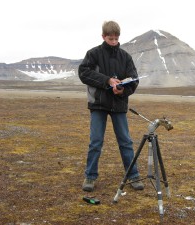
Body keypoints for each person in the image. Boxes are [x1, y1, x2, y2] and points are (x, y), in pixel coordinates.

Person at [78, 21, 144, 192]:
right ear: (103, 37)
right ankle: (90, 177)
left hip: (119, 104)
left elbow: (134, 80)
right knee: (96, 142)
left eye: (116, 39)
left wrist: (122, 90)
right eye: (110, 39)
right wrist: (107, 80)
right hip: (98, 105)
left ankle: (133, 175)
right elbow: (84, 73)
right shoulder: (93, 54)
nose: (114, 42)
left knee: (126, 142)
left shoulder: (125, 57)